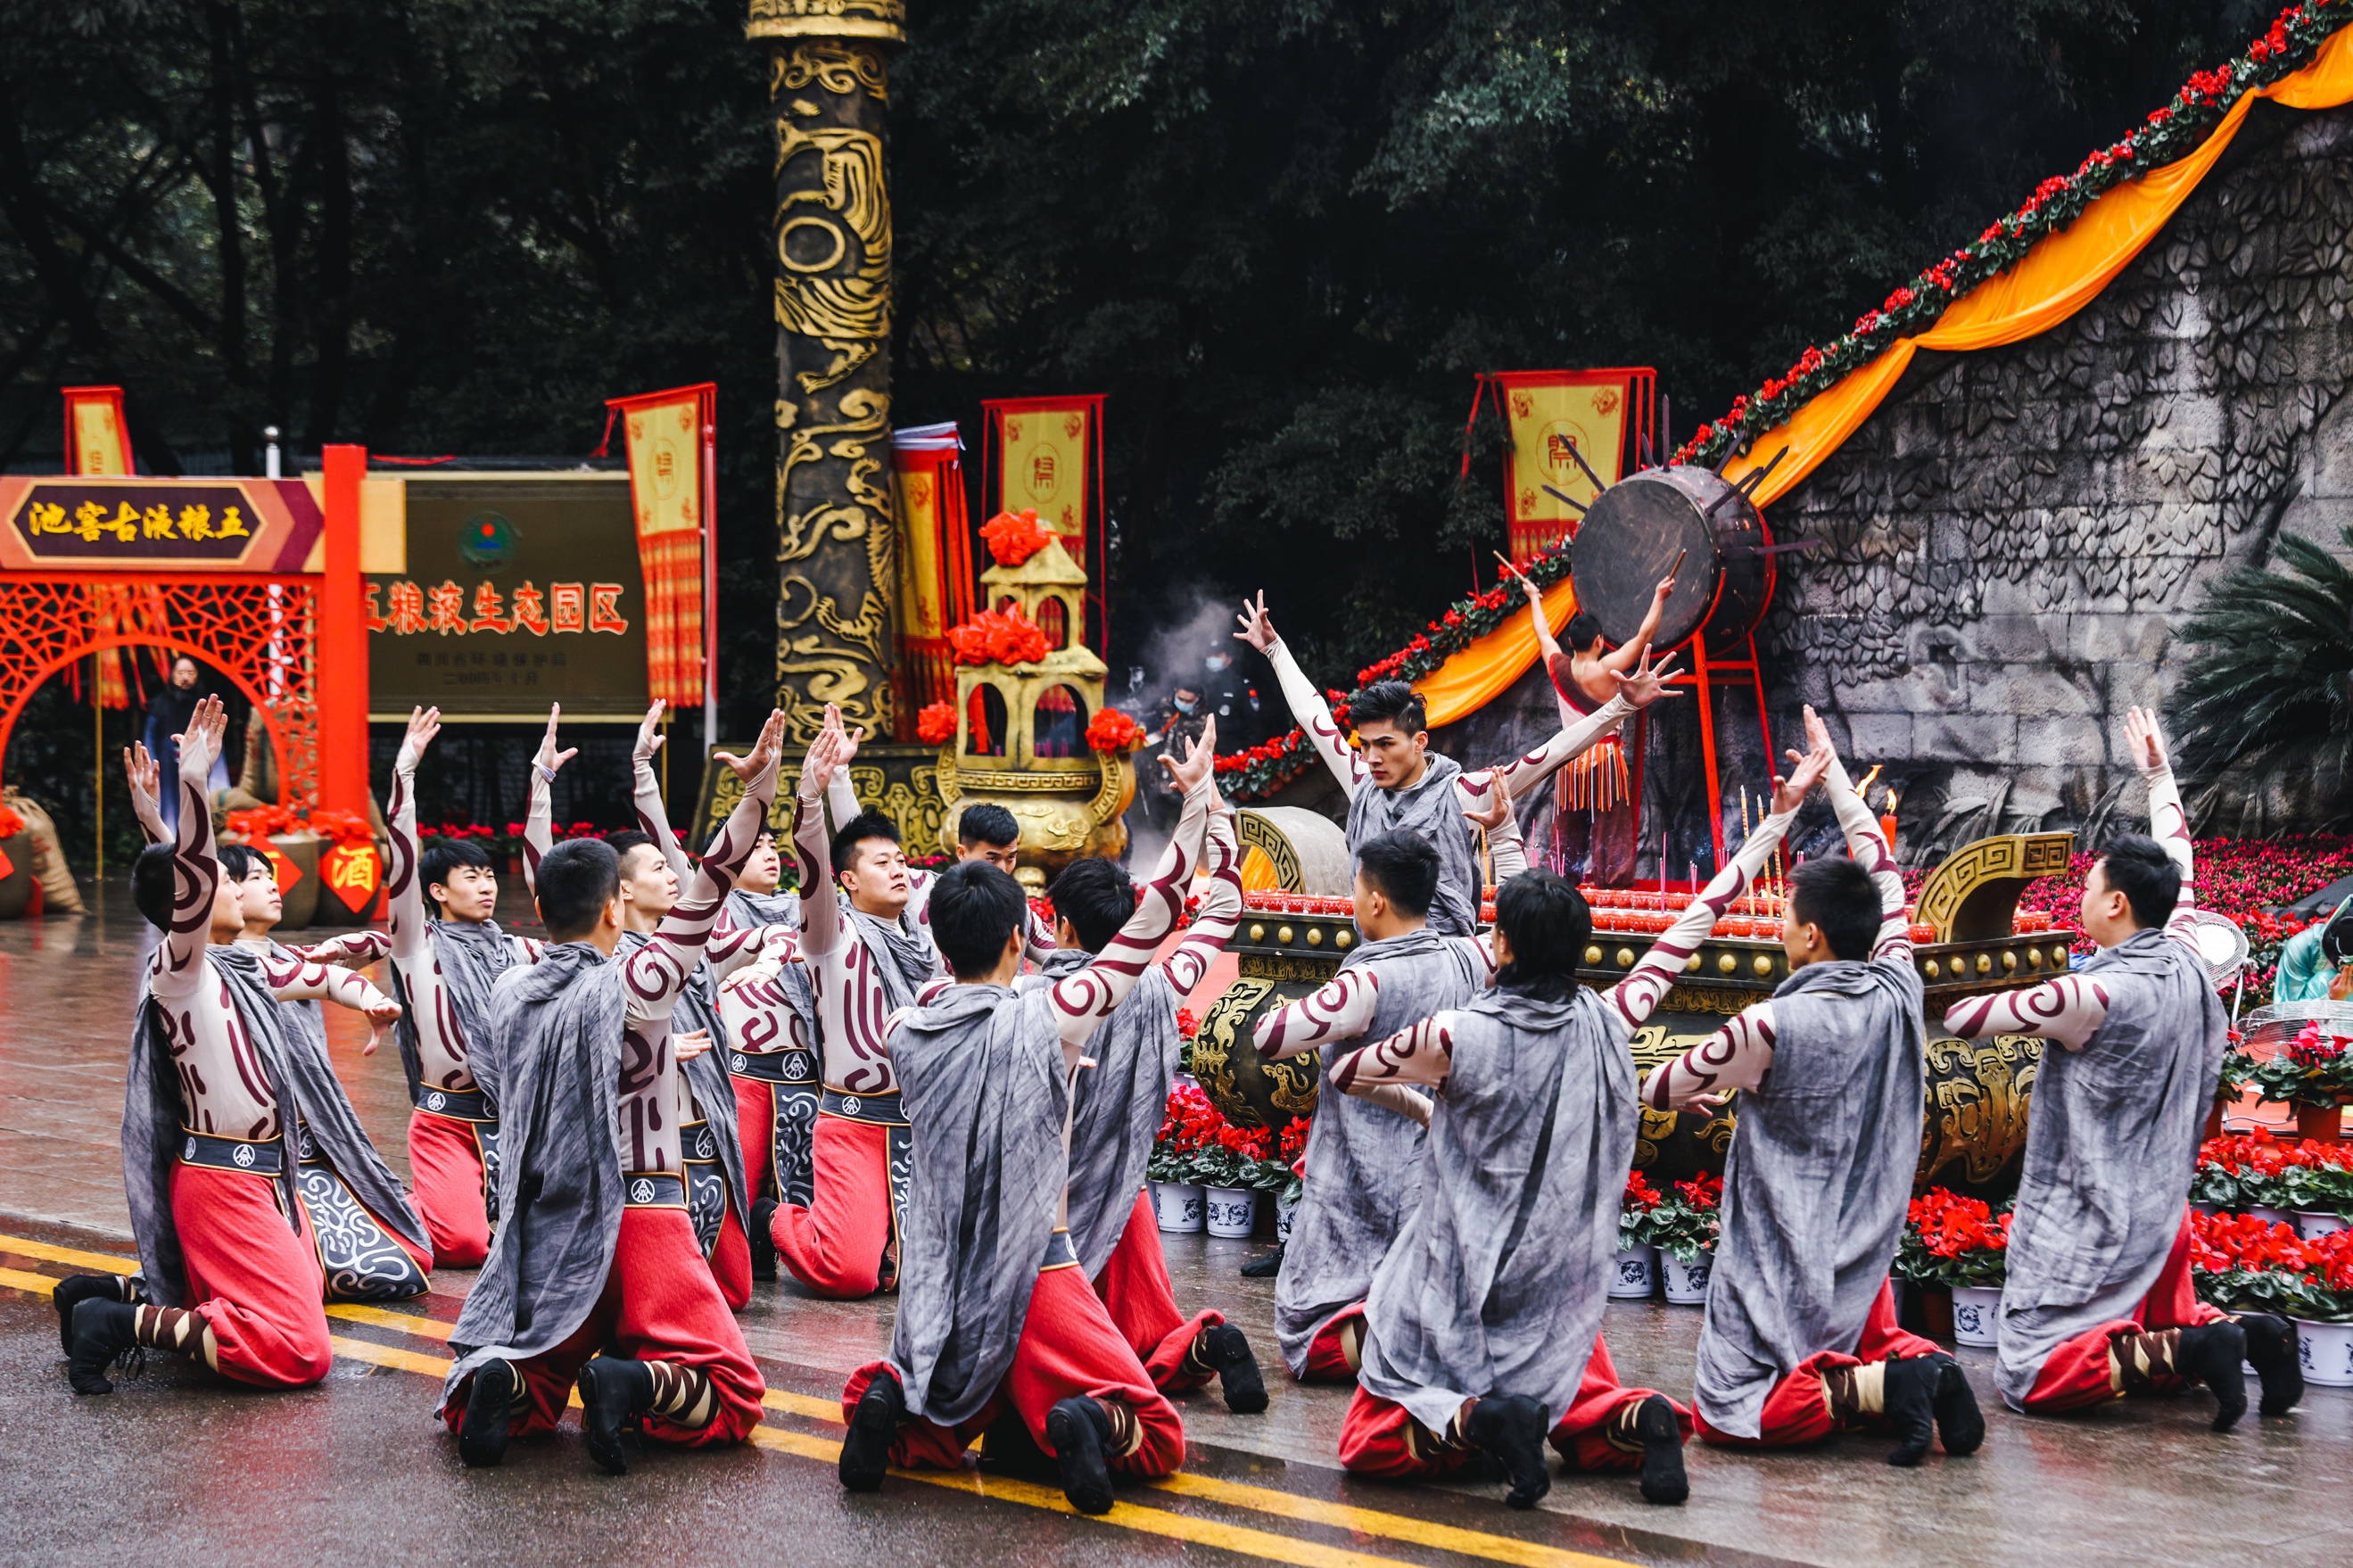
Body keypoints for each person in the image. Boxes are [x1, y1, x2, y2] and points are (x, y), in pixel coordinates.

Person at [1317, 746, 1820, 1509]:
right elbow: (1694, 922)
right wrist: (1775, 821)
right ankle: (1637, 1415)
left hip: (1463, 1272)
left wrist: (1427, 1105)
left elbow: (1348, 1073)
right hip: (1562, 1276)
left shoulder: (1456, 1037)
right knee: (1575, 1396)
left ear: (1503, 946)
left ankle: (1479, 1422)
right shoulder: (1611, 1021)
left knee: (1371, 1438)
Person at [832, 718, 1218, 1514]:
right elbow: (1150, 925)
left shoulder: (910, 1025)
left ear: (936, 938)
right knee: (1157, 1432)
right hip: (1038, 1262)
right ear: (1020, 939)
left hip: (941, 1273)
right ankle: (1082, 1420)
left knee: (939, 1423)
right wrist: (1200, 802)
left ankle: (891, 1409)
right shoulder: (1047, 1014)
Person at [436, 708, 788, 1476]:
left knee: (529, 1377)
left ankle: (506, 1376)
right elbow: (707, 890)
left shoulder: (510, 988)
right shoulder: (636, 984)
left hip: (548, 1219)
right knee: (733, 1397)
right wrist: (756, 797)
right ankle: (630, 1381)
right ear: (610, 909)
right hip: (639, 1215)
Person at [1943, 707, 2301, 1427]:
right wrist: (2159, 775)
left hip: (2095, 1214)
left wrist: (2037, 994)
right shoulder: (2191, 955)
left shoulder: (2095, 993)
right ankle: (2249, 1335)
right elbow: (2181, 857)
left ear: (2115, 902)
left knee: (2036, 1373)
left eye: (2088, 885)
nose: (2079, 894)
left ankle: (2195, 1353)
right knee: (2146, 1325)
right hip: (2162, 1210)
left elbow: (1962, 1020)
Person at [1643, 707, 1984, 1465]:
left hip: (1783, 1252)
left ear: (1811, 936)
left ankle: (1895, 1384)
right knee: (1829, 1348)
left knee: (1733, 1413)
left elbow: (1663, 1083)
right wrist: (1835, 779)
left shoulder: (1767, 1027)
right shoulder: (1898, 982)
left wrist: (1678, 1090)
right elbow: (1884, 868)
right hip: (1865, 1243)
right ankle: (1908, 1372)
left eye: (1787, 918)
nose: (1778, 928)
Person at [62, 697, 409, 1394]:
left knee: (308, 1285)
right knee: (302, 1352)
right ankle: (119, 1325)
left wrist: (373, 1002)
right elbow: (184, 885)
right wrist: (191, 787)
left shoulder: (244, 963)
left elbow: (323, 976)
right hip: (221, 1181)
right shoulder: (178, 974)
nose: (231, 881)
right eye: (222, 877)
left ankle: (119, 1294)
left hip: (263, 1177)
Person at [764, 718, 1048, 1298]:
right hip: (855, 1120)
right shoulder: (831, 935)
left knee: (953, 1271)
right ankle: (773, 1216)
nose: (897, 868)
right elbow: (821, 866)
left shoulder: (930, 931)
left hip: (926, 1120)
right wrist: (813, 794)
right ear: (848, 881)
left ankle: (888, 1245)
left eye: (900, 860)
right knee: (847, 1275)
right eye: (881, 863)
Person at [1024, 760, 1263, 1411]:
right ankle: (1204, 1345)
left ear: (1064, 925)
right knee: (1145, 1335)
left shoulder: (1034, 999)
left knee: (1049, 1344)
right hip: (1128, 1199)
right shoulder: (1161, 981)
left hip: (1051, 1211)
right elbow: (1226, 906)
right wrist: (1211, 811)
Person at [1235, 588, 1675, 935]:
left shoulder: (1463, 792)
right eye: (1365, 745)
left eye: (1385, 744)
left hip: (1449, 963)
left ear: (1419, 741)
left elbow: (1556, 751)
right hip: (1374, 962)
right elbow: (1313, 718)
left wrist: (1621, 706)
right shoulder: (1362, 784)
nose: (1371, 758)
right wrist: (1275, 650)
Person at [1250, 822, 1517, 1382]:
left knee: (1308, 1340)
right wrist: (1508, 836)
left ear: (1374, 899)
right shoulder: (1468, 957)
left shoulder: (1365, 981)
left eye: (1354, 890)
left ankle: (1409, 1336)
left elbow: (1268, 1039)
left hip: (1365, 1179)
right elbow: (1518, 932)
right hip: (1440, 1169)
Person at [379, 706, 557, 1267]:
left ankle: (460, 1203)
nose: (485, 886)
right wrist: (404, 774)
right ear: (436, 892)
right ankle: (389, 1205)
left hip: (514, 1119)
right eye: (470, 877)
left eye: (487, 875)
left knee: (552, 1240)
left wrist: (542, 782)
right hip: (447, 1121)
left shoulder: (518, 949)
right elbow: (402, 865)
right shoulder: (417, 948)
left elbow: (552, 888)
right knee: (463, 1245)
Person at [1518, 567, 1674, 887]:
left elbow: (1543, 634)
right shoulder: (1606, 669)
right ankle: (1613, 880)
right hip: (1604, 759)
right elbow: (1644, 637)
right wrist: (1658, 597)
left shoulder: (1557, 665)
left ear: (1572, 642)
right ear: (1600, 641)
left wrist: (1534, 598)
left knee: (1566, 823)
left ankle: (1560, 877)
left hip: (1568, 758)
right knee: (1611, 823)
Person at [141, 655, 228, 835]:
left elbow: (215, 742)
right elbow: (150, 739)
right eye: (180, 672)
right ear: (172, 675)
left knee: (199, 803)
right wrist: (151, 769)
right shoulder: (158, 705)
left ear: (197, 676)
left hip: (199, 762)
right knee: (169, 808)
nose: (185, 677)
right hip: (166, 766)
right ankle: (168, 845)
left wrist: (217, 782)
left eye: (190, 672)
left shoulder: (207, 706)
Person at [2272, 893, 2353, 1003]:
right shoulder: (2301, 946)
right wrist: (2331, 1000)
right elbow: (2284, 1011)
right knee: (2327, 980)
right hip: (2310, 1009)